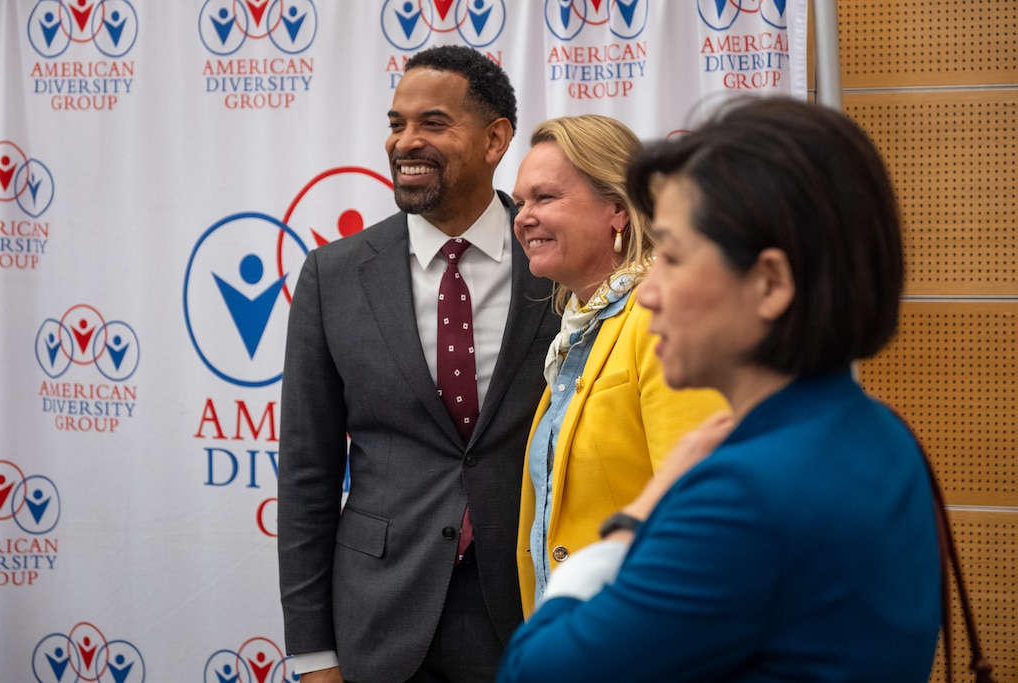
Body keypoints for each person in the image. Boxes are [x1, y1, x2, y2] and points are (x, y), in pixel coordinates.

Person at [496, 97, 943, 682]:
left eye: (674, 258)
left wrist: (636, 520)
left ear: (769, 284)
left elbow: (534, 672)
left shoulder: (743, 498)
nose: (649, 292)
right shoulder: (884, 432)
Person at [278, 45, 559, 683]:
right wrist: (314, 653)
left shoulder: (558, 263)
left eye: (433, 123)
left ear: (496, 140)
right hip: (380, 615)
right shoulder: (334, 275)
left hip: (529, 609)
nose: (406, 142)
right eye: (396, 123)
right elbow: (306, 473)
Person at [509, 114, 728, 615]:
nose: (523, 216)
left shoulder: (659, 323)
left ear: (618, 210)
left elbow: (693, 519)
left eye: (545, 198)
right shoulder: (579, 333)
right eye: (520, 202)